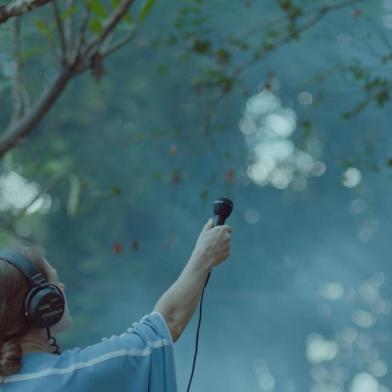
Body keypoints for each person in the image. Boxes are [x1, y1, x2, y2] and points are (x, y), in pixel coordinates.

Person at [0, 217, 232, 391]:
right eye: (54, 284)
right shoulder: (72, 377)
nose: (62, 289)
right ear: (41, 305)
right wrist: (204, 256)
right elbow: (167, 323)